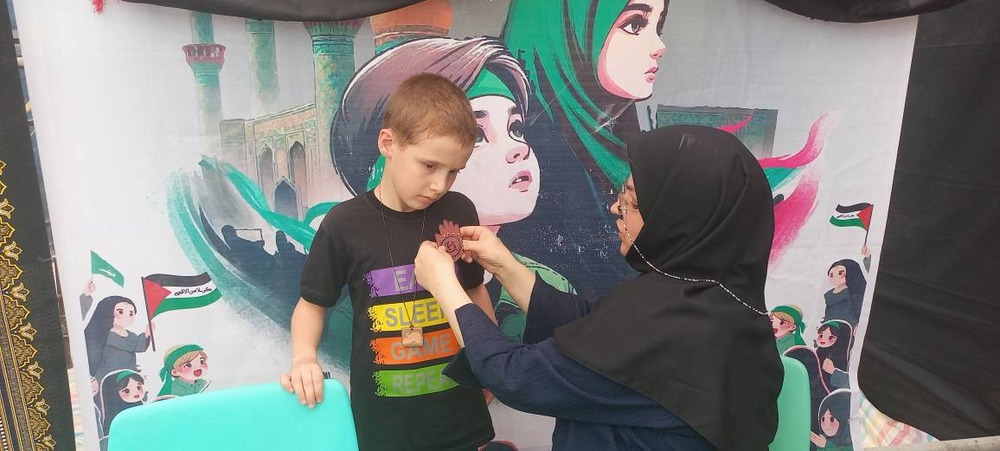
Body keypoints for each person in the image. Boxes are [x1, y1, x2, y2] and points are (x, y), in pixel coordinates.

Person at [414, 125, 783, 450]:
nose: (615, 209)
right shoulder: (711, 304)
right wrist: (507, 267)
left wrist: (445, 286)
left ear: (680, 217)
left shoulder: (669, 331)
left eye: (632, 202)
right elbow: (594, 328)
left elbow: (516, 375)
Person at [281, 73, 497, 451]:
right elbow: (312, 304)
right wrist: (303, 358)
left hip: (460, 418)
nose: (440, 185)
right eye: (428, 166)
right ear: (388, 143)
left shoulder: (460, 210)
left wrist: (493, 364)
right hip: (383, 427)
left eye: (453, 171)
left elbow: (475, 292)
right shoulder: (344, 224)